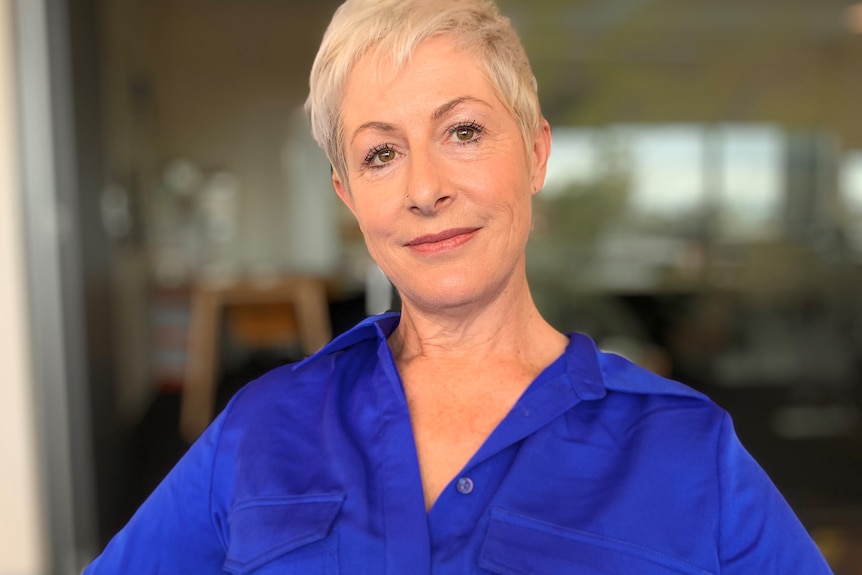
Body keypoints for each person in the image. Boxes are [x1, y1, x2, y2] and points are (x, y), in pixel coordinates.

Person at [84, 0, 834, 573]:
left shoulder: (687, 449)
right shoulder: (260, 428)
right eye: (382, 153)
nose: (425, 188)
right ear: (348, 195)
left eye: (464, 131)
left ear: (535, 154)